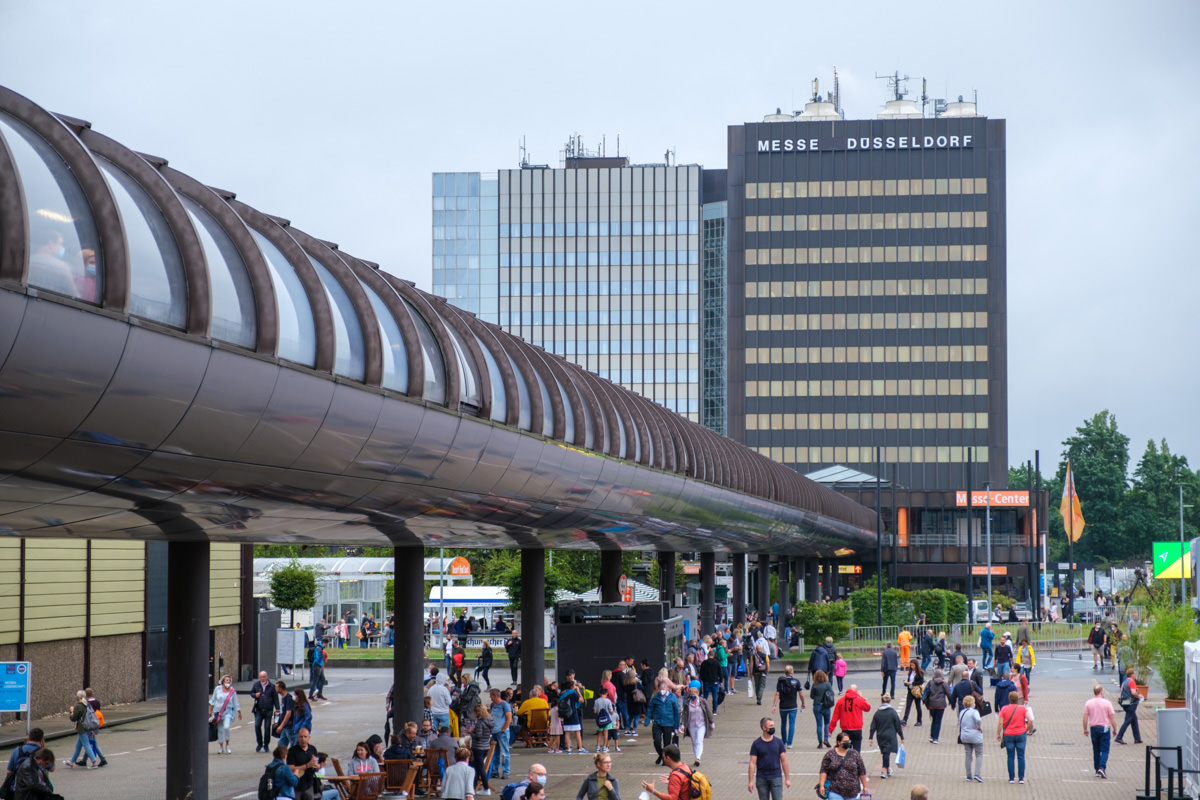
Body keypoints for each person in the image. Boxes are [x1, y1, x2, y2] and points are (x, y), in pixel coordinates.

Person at [747, 715, 790, 800]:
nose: (773, 728)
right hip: (761, 778)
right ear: (764, 728)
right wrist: (750, 781)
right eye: (770, 726)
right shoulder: (756, 744)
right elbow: (752, 763)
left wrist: (787, 778)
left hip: (776, 777)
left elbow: (784, 760)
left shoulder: (778, 742)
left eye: (773, 725)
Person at [816, 731, 868, 800]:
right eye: (845, 741)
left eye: (848, 741)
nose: (847, 743)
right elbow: (823, 770)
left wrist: (865, 786)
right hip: (834, 790)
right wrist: (822, 785)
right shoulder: (830, 754)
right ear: (839, 742)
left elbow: (862, 771)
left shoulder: (855, 754)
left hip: (852, 792)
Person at [996, 690, 1031, 784]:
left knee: (1010, 756)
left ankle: (1011, 778)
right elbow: (1030, 719)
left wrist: (998, 734)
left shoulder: (1004, 709)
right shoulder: (1022, 708)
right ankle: (1021, 778)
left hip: (1008, 734)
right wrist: (1026, 729)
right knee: (1021, 756)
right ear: (1017, 699)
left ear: (1009, 699)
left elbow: (1000, 723)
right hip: (1021, 734)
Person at [1082, 684, 1116, 779]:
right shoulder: (1107, 703)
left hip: (1094, 728)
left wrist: (1085, 729)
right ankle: (1102, 767)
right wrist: (1115, 729)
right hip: (1105, 728)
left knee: (1096, 749)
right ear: (1101, 692)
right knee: (1105, 749)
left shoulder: (1089, 703)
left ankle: (1097, 769)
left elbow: (1085, 717)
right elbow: (1112, 717)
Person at [868, 694, 903, 779]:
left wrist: (871, 737)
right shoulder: (893, 712)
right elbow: (898, 725)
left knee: (885, 752)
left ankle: (887, 769)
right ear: (889, 701)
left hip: (880, 736)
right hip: (890, 735)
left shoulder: (877, 713)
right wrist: (901, 736)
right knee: (886, 753)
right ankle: (883, 770)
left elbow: (873, 726)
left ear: (881, 701)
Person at [828, 683, 871, 752]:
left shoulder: (840, 701)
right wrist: (861, 697)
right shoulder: (859, 700)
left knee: (845, 751)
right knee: (856, 751)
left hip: (845, 729)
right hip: (857, 729)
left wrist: (830, 730)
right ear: (856, 692)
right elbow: (868, 708)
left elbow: (835, 718)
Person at [648, 678, 680, 766]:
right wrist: (647, 719)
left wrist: (676, 724)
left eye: (663, 689)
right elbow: (650, 708)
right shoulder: (655, 697)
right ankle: (661, 755)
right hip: (657, 722)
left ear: (667, 688)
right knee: (657, 741)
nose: (662, 691)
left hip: (669, 722)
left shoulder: (672, 696)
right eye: (660, 689)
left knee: (667, 743)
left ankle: (664, 759)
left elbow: (676, 710)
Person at [771, 663, 805, 747]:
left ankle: (783, 741)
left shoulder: (781, 681)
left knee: (783, 723)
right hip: (793, 706)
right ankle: (790, 743)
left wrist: (774, 705)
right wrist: (803, 703)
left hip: (783, 706)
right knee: (792, 723)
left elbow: (777, 694)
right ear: (792, 672)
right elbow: (801, 694)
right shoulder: (796, 681)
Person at [681, 681, 714, 767]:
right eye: (691, 693)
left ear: (697, 694)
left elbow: (709, 712)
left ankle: (698, 758)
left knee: (699, 740)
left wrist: (712, 723)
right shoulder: (687, 703)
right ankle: (696, 756)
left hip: (701, 724)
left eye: (694, 693)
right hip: (691, 725)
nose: (693, 695)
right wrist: (682, 725)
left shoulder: (702, 701)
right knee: (694, 742)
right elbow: (684, 715)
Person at [206, 674, 241, 754]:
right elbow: (213, 700)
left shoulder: (232, 691)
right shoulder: (217, 689)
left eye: (229, 680)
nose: (228, 682)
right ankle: (221, 747)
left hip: (228, 712)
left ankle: (228, 745)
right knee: (220, 730)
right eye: (226, 680)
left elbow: (236, 702)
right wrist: (210, 711)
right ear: (223, 682)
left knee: (226, 727)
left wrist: (239, 712)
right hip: (217, 713)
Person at [64, 690, 98, 769]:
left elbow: (73, 718)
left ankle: (94, 762)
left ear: (78, 697)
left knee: (86, 745)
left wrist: (72, 711)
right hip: (88, 726)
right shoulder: (87, 704)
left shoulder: (78, 706)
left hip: (82, 728)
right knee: (78, 746)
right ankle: (72, 761)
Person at [4, 728, 44, 793]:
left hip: (18, 788)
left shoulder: (17, 750)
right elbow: (50, 768)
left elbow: (9, 772)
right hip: (36, 789)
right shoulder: (43, 753)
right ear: (41, 740)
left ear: (28, 738)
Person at [287, 728, 322, 800]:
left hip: (309, 785)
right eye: (301, 737)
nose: (303, 739)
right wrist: (307, 766)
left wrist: (316, 766)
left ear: (309, 738)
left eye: (305, 737)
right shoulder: (292, 751)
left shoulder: (312, 749)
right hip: (297, 786)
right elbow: (290, 768)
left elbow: (318, 767)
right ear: (297, 737)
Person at [957, 694, 984, 782]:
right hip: (975, 735)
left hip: (964, 735)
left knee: (968, 755)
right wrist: (979, 727)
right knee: (979, 754)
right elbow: (978, 720)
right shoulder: (974, 711)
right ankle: (977, 773)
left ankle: (968, 775)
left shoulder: (962, 712)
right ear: (972, 703)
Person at [1115, 667, 1144, 744]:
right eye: (1134, 673)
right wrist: (1139, 696)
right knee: (1127, 720)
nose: (1135, 675)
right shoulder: (1131, 682)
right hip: (1131, 703)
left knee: (1134, 720)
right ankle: (1119, 737)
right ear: (1132, 674)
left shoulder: (1124, 682)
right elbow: (1133, 692)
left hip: (1125, 702)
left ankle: (1137, 738)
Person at [251, 670, 279, 753]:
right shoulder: (256, 685)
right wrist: (255, 695)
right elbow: (251, 693)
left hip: (268, 710)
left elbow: (276, 699)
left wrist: (277, 709)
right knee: (257, 725)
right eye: (261, 677)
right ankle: (259, 743)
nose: (262, 679)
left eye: (264, 677)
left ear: (267, 677)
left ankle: (266, 745)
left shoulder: (272, 686)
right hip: (259, 710)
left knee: (267, 728)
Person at [489, 687, 513, 778]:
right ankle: (495, 771)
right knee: (495, 753)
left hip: (502, 732)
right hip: (494, 732)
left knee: (504, 752)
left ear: (495, 696)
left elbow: (509, 719)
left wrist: (503, 729)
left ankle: (506, 771)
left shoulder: (504, 705)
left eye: (491, 695)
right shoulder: (492, 705)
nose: (490, 698)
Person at [470, 703, 494, 795]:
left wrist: (471, 733)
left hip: (478, 747)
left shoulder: (480, 722)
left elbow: (478, 735)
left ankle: (486, 787)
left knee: (480, 768)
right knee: (477, 767)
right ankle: (473, 787)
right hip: (485, 746)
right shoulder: (490, 721)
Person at [923, 668, 950, 744]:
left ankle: (931, 736)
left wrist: (925, 702)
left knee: (933, 720)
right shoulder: (944, 684)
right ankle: (936, 738)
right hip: (941, 705)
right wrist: (952, 702)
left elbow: (926, 692)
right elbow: (948, 693)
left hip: (932, 704)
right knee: (938, 721)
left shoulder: (930, 683)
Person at [810, 669, 835, 748]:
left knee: (819, 724)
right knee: (827, 723)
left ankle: (820, 743)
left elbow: (811, 696)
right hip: (826, 705)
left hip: (817, 705)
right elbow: (832, 693)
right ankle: (826, 739)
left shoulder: (814, 685)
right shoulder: (827, 684)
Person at [901, 659, 924, 727]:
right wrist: (906, 683)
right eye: (911, 665)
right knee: (908, 706)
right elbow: (909, 680)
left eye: (913, 665)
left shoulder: (920, 672)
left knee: (918, 706)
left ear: (916, 665)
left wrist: (912, 683)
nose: (912, 667)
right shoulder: (910, 672)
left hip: (916, 691)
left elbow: (921, 681)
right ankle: (905, 720)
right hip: (910, 691)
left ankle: (919, 721)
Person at [275, 680, 296, 748]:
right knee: (281, 745)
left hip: (289, 727)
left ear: (281, 689)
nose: (275, 689)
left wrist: (281, 725)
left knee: (294, 746)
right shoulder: (283, 698)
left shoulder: (288, 698)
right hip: (285, 727)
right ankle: (279, 756)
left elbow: (288, 713)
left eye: (276, 688)